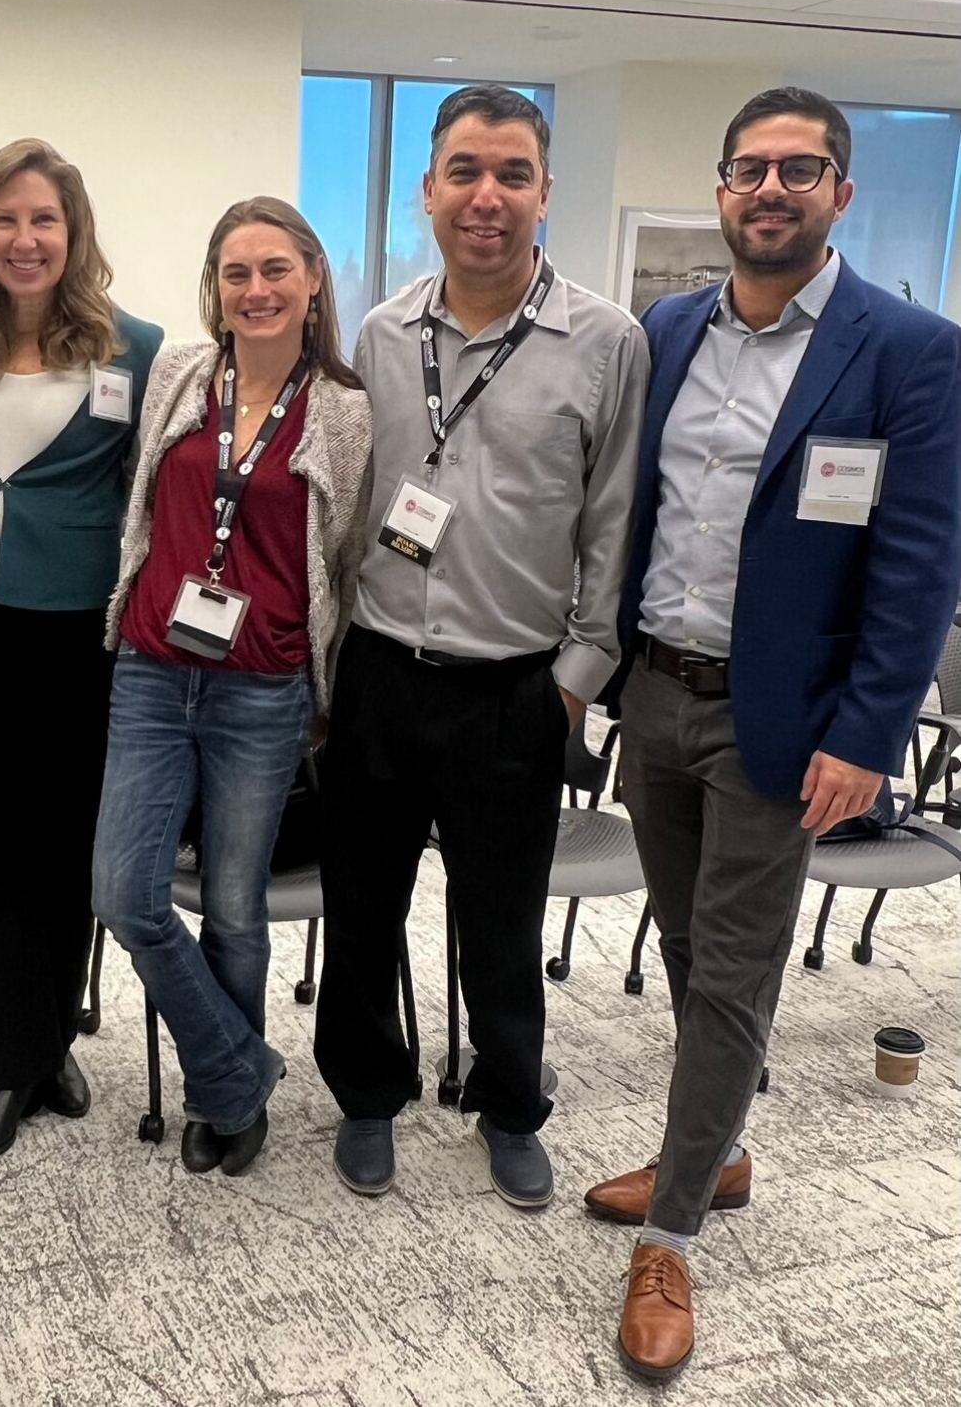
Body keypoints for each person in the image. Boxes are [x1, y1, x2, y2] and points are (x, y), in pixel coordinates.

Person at [587, 87, 961, 1381]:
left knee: (736, 971)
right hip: (657, 692)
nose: (772, 189)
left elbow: (913, 568)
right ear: (721, 188)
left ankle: (676, 1234)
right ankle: (719, 1142)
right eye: (750, 168)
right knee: (692, 946)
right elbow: (631, 507)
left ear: (840, 194)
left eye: (801, 169)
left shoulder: (905, 348)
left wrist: (868, 733)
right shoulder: (669, 327)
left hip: (785, 717)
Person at [314, 84, 649, 1207]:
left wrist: (573, 686)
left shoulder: (608, 342)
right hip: (378, 671)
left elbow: (611, 524)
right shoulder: (379, 328)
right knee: (360, 908)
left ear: (546, 193)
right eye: (464, 171)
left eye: (512, 174)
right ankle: (369, 1096)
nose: (487, 197)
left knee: (500, 922)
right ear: (429, 190)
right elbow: (358, 509)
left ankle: (509, 1102)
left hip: (515, 688)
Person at [93, 198, 372, 1177]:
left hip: (263, 688)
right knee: (124, 892)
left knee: (236, 907)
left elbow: (341, 553)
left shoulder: (340, 406)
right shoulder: (175, 374)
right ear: (213, 286)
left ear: (311, 279)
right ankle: (236, 1071)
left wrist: (315, 671)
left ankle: (226, 1102)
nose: (254, 290)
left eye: (274, 270)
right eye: (236, 272)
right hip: (153, 668)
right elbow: (140, 505)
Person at [0, 139, 162, 1167]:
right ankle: (11, 1061)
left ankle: (52, 1036)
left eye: (43, 220)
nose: (24, 238)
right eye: (5, 219)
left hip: (77, 634)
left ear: (73, 232)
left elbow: (152, 493)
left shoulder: (133, 348)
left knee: (66, 852)